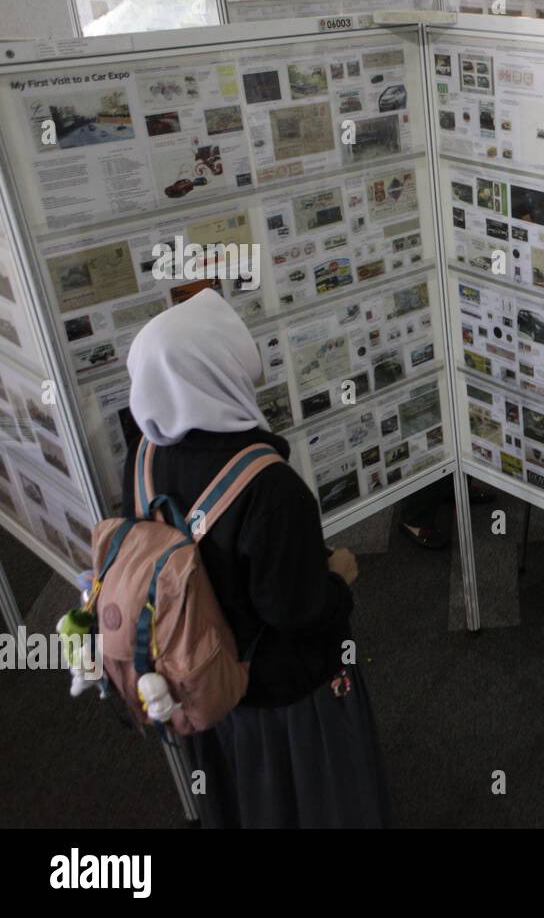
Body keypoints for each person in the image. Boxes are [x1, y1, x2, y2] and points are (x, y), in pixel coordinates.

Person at [122, 288, 392, 828]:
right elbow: (295, 611)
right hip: (285, 694)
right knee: (315, 798)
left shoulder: (145, 456)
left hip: (208, 683)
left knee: (242, 797)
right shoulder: (269, 488)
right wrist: (338, 580)